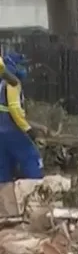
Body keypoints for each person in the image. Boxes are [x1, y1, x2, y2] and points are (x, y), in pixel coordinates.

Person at [0, 52, 43, 182]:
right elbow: (14, 109)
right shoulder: (13, 83)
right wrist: (29, 130)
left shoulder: (2, 84)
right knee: (32, 158)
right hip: (13, 130)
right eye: (22, 65)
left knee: (4, 170)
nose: (25, 69)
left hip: (2, 132)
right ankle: (37, 190)